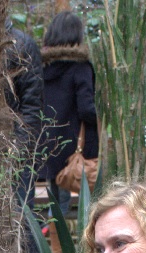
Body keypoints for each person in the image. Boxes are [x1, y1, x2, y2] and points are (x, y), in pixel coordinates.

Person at [39, 10, 99, 216]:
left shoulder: (41, 67)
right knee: (84, 201)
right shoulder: (80, 67)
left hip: (47, 143)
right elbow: (86, 108)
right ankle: (66, 246)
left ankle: (54, 244)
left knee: (56, 199)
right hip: (74, 146)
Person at [4, 19, 45, 253]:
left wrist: (18, 150)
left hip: (15, 150)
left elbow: (32, 106)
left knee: (21, 214)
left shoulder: (20, 45)